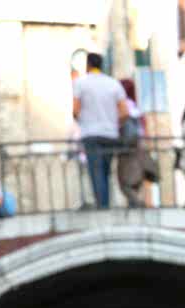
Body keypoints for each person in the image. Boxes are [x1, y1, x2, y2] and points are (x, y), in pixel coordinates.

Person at [72, 53, 128, 209]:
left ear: (88, 65)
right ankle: (105, 203)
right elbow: (125, 112)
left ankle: (102, 206)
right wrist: (114, 123)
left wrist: (82, 120)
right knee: (105, 170)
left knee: (96, 171)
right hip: (110, 133)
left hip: (91, 133)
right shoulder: (113, 83)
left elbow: (75, 110)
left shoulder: (81, 83)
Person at [116, 78, 156, 208]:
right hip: (140, 150)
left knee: (125, 183)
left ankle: (137, 204)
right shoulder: (136, 107)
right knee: (134, 182)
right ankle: (136, 204)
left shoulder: (125, 106)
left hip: (129, 149)